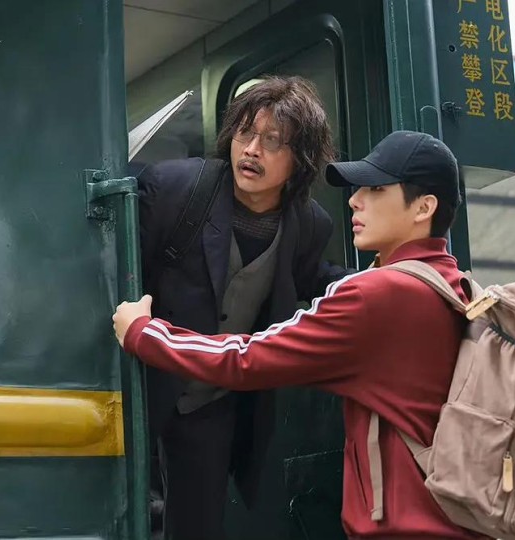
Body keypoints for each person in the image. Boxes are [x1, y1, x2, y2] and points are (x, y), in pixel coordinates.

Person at [116, 130, 489, 539]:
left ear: (424, 207)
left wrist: (143, 332)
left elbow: (246, 359)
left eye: (376, 189)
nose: (355, 200)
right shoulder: (457, 287)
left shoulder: (379, 295)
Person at [134, 76, 341, 540]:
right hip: (143, 390)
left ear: (302, 159)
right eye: (245, 132)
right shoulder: (175, 188)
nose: (251, 150)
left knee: (197, 528)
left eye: (273, 141)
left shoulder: (310, 224)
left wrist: (382, 281)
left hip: (212, 402)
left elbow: (308, 278)